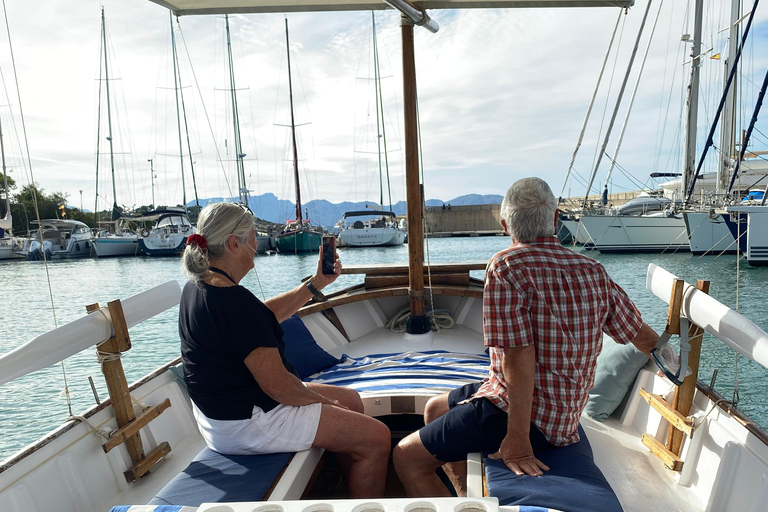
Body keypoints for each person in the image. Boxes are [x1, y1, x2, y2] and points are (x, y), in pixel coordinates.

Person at [393, 177, 659, 497]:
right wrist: (675, 360)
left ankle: (459, 495)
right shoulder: (594, 270)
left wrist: (518, 439)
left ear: (506, 226)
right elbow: (639, 334)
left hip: (529, 419)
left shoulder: (506, 266)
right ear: (557, 219)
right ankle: (464, 499)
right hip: (563, 411)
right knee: (436, 408)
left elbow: (519, 355)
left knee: (406, 456)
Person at [179, 202, 391, 498]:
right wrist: (324, 401)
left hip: (220, 416)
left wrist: (316, 284)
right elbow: (279, 388)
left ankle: (351, 483)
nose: (256, 243)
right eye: (252, 237)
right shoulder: (232, 301)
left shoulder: (200, 286)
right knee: (377, 438)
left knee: (352, 400)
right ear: (233, 243)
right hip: (247, 422)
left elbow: (257, 319)